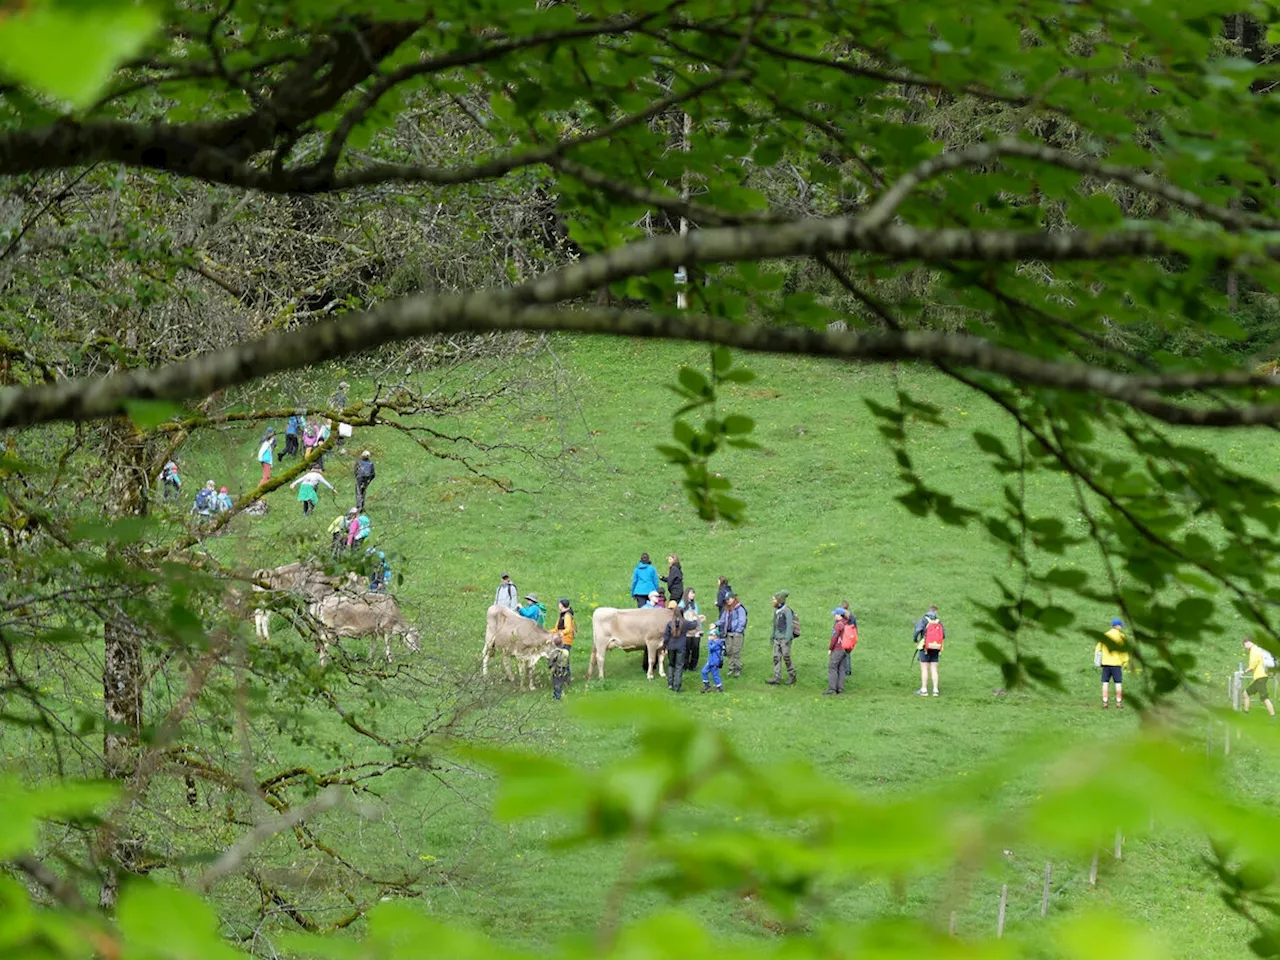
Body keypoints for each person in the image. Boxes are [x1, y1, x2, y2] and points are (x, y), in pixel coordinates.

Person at [1096, 617, 1129, 709]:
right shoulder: (1121, 636)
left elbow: (1098, 649)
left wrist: (1098, 661)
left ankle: (1105, 702)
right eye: (1121, 626)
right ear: (1117, 626)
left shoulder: (1105, 635)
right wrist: (1125, 662)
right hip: (1116, 664)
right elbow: (1124, 651)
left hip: (1106, 663)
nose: (1121, 627)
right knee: (1118, 683)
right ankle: (1118, 702)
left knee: (1105, 683)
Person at [913, 605, 945, 697]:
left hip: (925, 647)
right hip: (936, 648)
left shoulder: (924, 620)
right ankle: (935, 690)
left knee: (924, 669)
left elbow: (917, 631)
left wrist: (915, 640)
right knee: (934, 668)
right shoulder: (938, 621)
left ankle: (924, 690)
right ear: (935, 612)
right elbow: (944, 635)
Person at [766, 590, 796, 686]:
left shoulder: (787, 611)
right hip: (777, 638)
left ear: (779, 600)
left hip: (784, 639)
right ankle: (776, 677)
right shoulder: (776, 611)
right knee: (776, 657)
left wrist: (787, 639)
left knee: (786, 657)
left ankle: (792, 675)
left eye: (774, 599)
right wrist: (773, 635)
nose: (772, 601)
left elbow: (790, 625)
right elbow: (775, 625)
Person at [825, 608, 858, 695]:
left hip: (838, 649)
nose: (834, 616)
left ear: (839, 615)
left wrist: (830, 648)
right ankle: (840, 689)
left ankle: (832, 689)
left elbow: (834, 638)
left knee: (832, 667)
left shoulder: (838, 625)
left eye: (835, 614)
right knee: (841, 668)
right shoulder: (847, 623)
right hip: (845, 649)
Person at [1242, 637, 1277, 719]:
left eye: (1244, 645)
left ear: (1248, 643)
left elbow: (1252, 666)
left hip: (1260, 677)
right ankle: (1245, 713)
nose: (1244, 647)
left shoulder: (1254, 651)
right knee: (1246, 693)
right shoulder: (1257, 649)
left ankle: (1273, 716)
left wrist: (1244, 672)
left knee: (1264, 698)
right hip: (1259, 678)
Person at [716, 593, 748, 678]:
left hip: (737, 634)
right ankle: (731, 668)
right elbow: (722, 620)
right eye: (726, 600)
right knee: (729, 651)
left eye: (729, 599)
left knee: (736, 651)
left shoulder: (740, 609)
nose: (728, 601)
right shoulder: (727, 610)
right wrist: (715, 624)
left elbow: (742, 621)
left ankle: (738, 668)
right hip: (728, 633)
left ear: (733, 598)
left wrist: (738, 631)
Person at [663, 600, 690, 692]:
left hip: (671, 647)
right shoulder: (685, 624)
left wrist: (664, 647)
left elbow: (666, 637)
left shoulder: (670, 624)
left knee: (671, 665)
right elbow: (694, 624)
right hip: (681, 647)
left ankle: (670, 684)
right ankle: (677, 686)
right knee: (679, 666)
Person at [680, 587, 704, 670]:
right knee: (686, 648)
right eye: (691, 593)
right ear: (687, 594)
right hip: (686, 630)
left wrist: (700, 627)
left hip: (695, 629)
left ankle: (693, 665)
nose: (693, 595)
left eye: (693, 593)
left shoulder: (695, 605)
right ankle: (685, 665)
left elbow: (697, 616)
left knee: (695, 648)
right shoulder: (682, 604)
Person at [553, 598, 575, 683]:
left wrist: (562, 633)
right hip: (562, 640)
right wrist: (547, 632)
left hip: (565, 641)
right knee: (563, 661)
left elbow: (568, 628)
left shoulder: (567, 615)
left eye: (559, 604)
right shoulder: (562, 615)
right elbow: (556, 628)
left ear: (562, 605)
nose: (558, 605)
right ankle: (565, 679)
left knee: (564, 661)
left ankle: (566, 679)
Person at [701, 624, 725, 693]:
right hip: (710, 661)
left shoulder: (717, 643)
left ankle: (719, 686)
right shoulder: (714, 642)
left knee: (715, 674)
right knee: (704, 671)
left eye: (710, 635)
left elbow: (711, 648)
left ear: (714, 636)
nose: (709, 637)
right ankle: (706, 685)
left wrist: (709, 641)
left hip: (715, 661)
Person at [548, 635, 570, 701]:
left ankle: (557, 697)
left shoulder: (554, 653)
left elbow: (550, 662)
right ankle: (563, 693)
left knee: (556, 684)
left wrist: (550, 666)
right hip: (564, 670)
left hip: (556, 671)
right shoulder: (566, 652)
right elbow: (568, 661)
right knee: (562, 683)